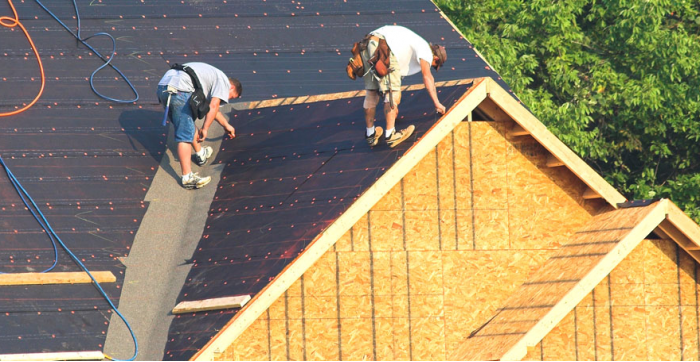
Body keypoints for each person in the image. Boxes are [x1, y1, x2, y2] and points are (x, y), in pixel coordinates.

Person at [349, 25, 447, 148]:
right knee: (392, 93)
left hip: (368, 44)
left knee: (371, 92)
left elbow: (393, 79)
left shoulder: (411, 44)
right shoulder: (426, 51)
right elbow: (427, 77)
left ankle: (370, 134)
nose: (430, 65)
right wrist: (437, 103)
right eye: (434, 65)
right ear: (436, 58)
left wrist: (394, 108)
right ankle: (390, 135)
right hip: (383, 46)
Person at [157, 62, 242, 189]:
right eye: (231, 97)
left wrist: (226, 125)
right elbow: (214, 106)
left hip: (164, 87)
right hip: (180, 90)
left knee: (186, 124)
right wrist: (205, 128)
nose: (228, 99)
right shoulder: (223, 81)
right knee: (184, 135)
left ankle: (200, 153)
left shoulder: (212, 78)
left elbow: (213, 109)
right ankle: (187, 177)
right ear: (231, 88)